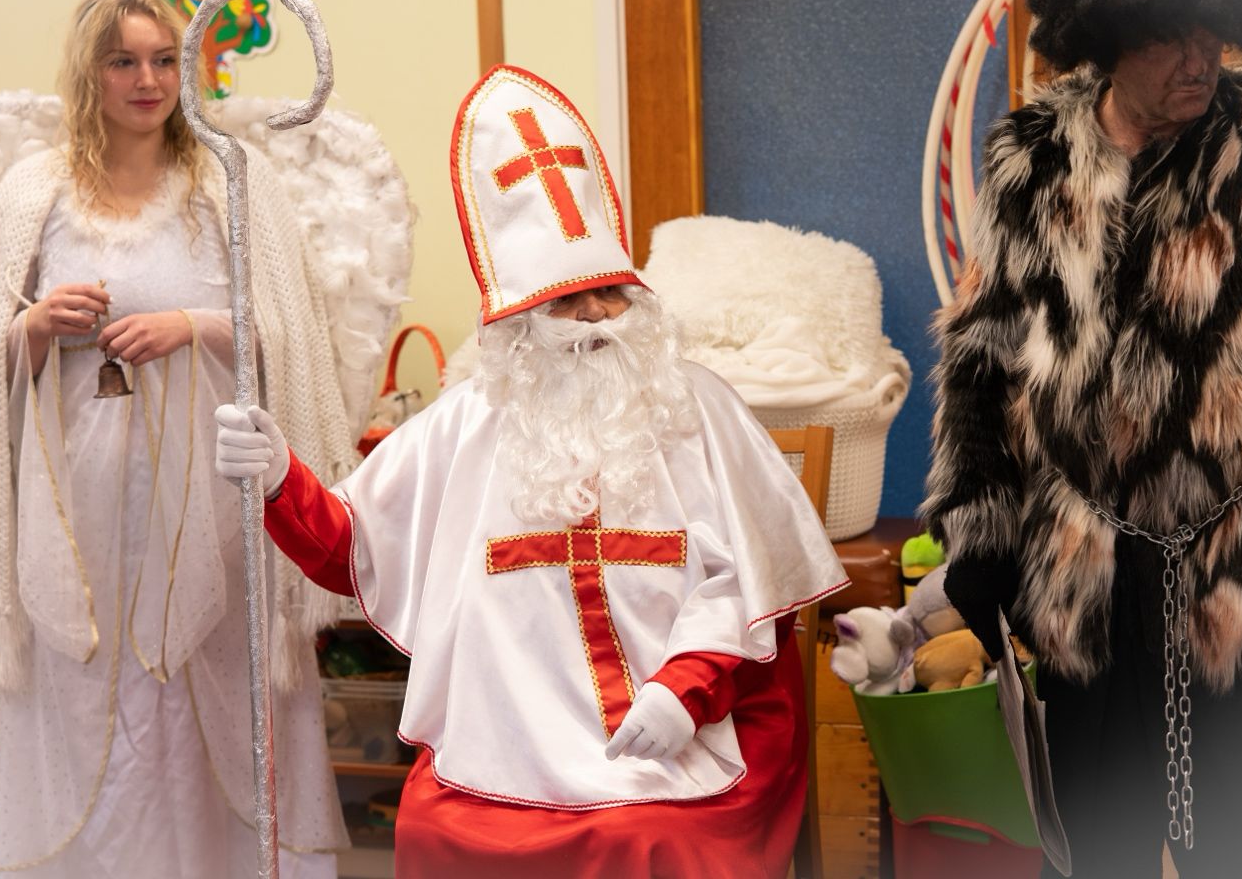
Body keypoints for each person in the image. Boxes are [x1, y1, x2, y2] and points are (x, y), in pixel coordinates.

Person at [216, 64, 849, 878]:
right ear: (516, 324)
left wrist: (683, 687)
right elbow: (351, 546)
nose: (593, 318)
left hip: (687, 724)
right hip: (510, 739)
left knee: (646, 840)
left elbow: (755, 582)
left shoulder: (696, 406)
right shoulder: (467, 421)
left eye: (609, 294)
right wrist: (279, 479)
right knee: (437, 827)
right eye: (564, 301)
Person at [921, 0, 1242, 877]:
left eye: (1212, 30)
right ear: (1106, 32)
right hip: (1085, 590)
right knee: (1098, 857)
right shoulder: (1030, 165)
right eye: (1169, 35)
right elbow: (978, 361)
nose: (1199, 58)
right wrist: (980, 529)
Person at [0, 0, 358, 877]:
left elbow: (291, 337)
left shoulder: (232, 180)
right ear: (90, 71)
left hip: (214, 499)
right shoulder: (34, 191)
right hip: (82, 505)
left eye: (165, 59)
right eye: (123, 61)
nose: (148, 80)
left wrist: (190, 326)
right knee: (96, 688)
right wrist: (35, 324)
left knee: (214, 679)